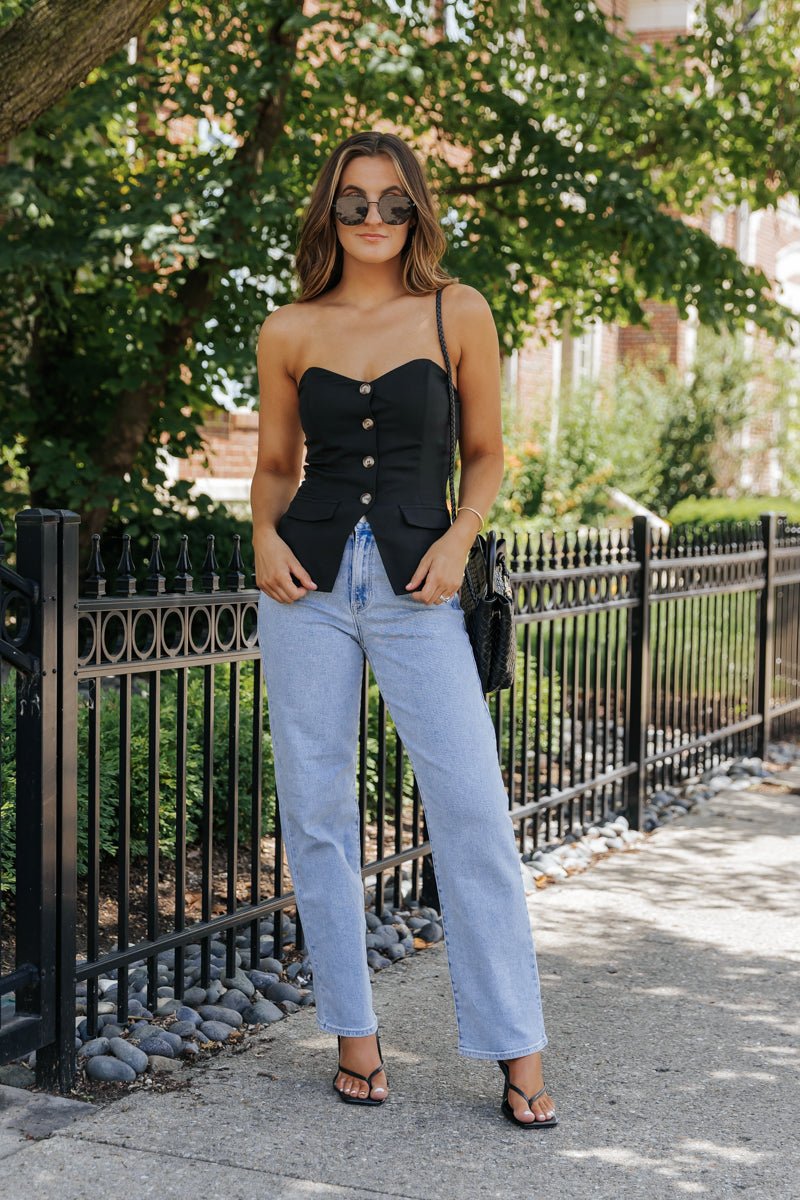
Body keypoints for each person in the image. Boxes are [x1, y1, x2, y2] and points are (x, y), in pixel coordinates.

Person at [250, 130, 557, 1129]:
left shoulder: (454, 310)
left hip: (418, 586)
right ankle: (353, 1034)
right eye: (352, 201)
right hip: (305, 585)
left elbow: (485, 453)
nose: (372, 218)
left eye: (390, 201)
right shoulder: (288, 328)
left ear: (415, 209)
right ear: (326, 213)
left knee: (471, 815)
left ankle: (515, 1047)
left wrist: (460, 541)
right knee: (317, 815)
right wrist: (260, 535)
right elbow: (274, 463)